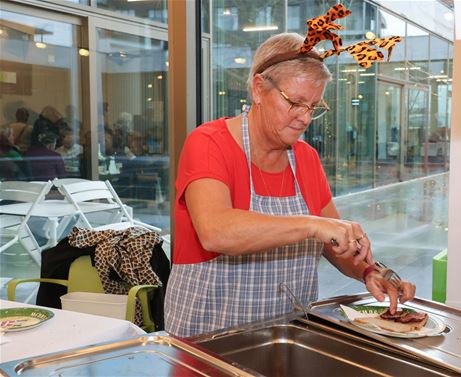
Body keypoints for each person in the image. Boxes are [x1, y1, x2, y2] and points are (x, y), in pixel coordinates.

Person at [164, 33, 416, 337]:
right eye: (295, 102)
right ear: (259, 88)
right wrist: (313, 225)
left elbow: (335, 243)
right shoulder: (209, 143)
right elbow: (216, 232)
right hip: (209, 339)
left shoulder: (306, 159)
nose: (305, 117)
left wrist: (370, 271)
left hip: (285, 338)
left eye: (313, 106)